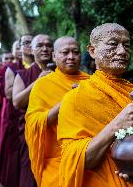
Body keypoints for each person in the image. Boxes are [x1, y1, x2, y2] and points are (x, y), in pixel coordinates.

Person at [57, 23, 133, 187]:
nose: (122, 51)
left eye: (126, 45)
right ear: (92, 51)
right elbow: (76, 159)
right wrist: (116, 125)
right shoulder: (75, 98)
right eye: (113, 44)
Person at [25, 36, 89, 187]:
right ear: (54, 56)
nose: (71, 57)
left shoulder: (90, 82)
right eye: (65, 52)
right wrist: (68, 101)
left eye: (76, 52)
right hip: (56, 160)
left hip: (89, 157)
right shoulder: (43, 85)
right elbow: (33, 123)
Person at [12, 34, 52, 187]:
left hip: (58, 131)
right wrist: (38, 81)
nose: (45, 48)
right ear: (32, 50)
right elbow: (17, 101)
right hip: (32, 132)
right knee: (31, 175)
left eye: (48, 45)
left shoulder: (61, 71)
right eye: (40, 45)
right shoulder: (23, 75)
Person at [0, 40, 25, 187]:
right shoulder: (11, 68)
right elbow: (8, 94)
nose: (21, 50)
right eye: (18, 48)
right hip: (14, 113)